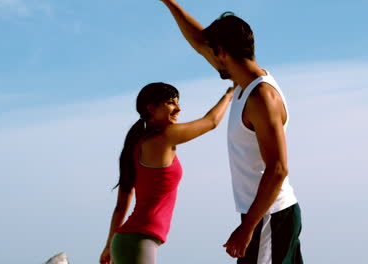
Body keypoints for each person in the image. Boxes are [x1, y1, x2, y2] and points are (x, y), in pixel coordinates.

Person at [160, 1, 303, 263]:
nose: (206, 55)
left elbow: (279, 168)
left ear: (222, 52)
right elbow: (200, 40)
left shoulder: (262, 97)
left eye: (211, 53)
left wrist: (247, 227)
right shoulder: (243, 84)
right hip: (262, 215)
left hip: (268, 217)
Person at [99, 82, 234, 264]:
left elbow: (121, 206)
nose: (178, 109)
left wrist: (109, 246)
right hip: (139, 240)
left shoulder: (137, 144)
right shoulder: (163, 138)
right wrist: (230, 94)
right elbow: (211, 122)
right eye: (171, 103)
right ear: (151, 108)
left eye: (178, 103)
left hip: (130, 240)